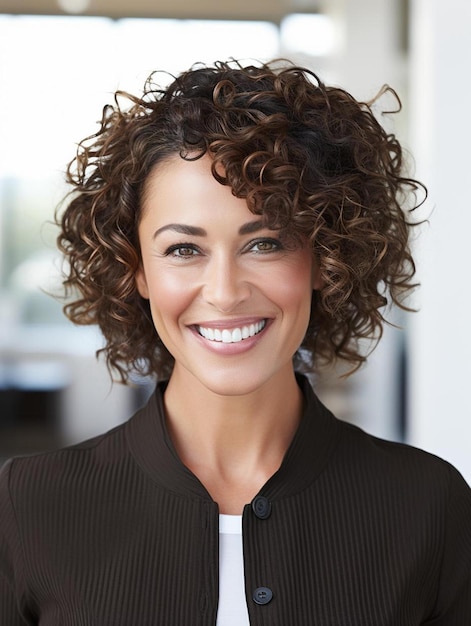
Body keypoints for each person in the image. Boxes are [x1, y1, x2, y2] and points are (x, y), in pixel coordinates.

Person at [1, 59, 470, 626]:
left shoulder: (429, 505)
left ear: (324, 260)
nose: (224, 293)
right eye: (183, 249)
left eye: (266, 243)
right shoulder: (25, 505)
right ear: (138, 272)